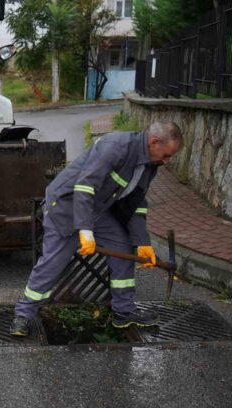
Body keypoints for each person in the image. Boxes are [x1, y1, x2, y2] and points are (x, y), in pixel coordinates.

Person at [10, 122, 183, 337]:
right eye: (167, 155)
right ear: (154, 142)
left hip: (97, 209)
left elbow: (136, 201)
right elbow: (84, 187)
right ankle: (23, 314)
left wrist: (142, 241)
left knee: (124, 248)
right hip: (65, 207)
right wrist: (85, 231)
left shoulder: (150, 164)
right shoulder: (115, 146)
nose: (167, 161)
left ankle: (123, 311)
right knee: (52, 264)